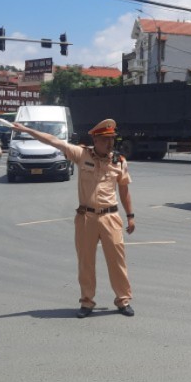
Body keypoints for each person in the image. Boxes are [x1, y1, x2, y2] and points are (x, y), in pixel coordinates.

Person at [11, 118, 136, 318]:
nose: (110, 143)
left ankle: (123, 300)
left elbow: (124, 190)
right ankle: (87, 302)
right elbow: (53, 141)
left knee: (117, 261)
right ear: (95, 139)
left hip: (111, 217)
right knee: (86, 262)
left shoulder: (119, 161)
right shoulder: (81, 154)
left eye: (112, 139)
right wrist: (26, 129)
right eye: (105, 140)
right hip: (86, 217)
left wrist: (130, 216)